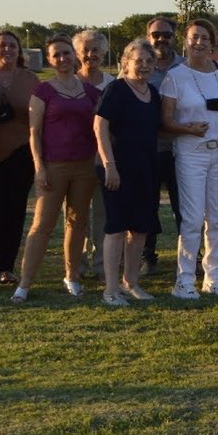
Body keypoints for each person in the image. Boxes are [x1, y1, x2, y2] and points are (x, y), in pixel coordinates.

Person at [11, 34, 102, 302]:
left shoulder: (91, 92)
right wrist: (39, 167)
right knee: (42, 225)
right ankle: (25, 283)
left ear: (75, 55)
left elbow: (100, 130)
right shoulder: (43, 91)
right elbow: (34, 132)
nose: (62, 59)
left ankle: (72, 277)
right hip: (54, 166)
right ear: (50, 60)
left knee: (77, 223)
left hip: (85, 166)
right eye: (56, 55)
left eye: (66, 53)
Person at [159, 18, 218, 300]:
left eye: (204, 38)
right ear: (186, 40)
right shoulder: (176, 76)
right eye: (194, 37)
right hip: (191, 153)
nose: (199, 43)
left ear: (213, 43)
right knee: (193, 219)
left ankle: (213, 276)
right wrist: (188, 129)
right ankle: (184, 280)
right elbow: (166, 121)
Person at [93, 39, 163, 306]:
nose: (144, 66)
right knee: (117, 227)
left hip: (145, 168)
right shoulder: (116, 90)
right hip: (116, 169)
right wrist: (110, 165)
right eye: (138, 61)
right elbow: (99, 128)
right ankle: (110, 289)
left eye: (149, 61)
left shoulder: (153, 93)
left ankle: (130, 283)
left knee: (141, 228)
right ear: (125, 62)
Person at [0, 29, 36, 286]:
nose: (8, 50)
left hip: (21, 152)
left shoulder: (30, 79)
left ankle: (7, 268)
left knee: (14, 210)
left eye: (13, 45)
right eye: (2, 45)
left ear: (19, 51)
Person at [141, 16, 184, 277]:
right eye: (156, 34)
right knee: (148, 205)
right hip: (149, 147)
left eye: (166, 34)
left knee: (185, 206)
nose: (161, 39)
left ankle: (188, 257)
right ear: (148, 37)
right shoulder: (139, 65)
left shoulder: (185, 66)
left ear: (174, 37)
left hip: (180, 147)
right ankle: (148, 256)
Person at [73, 29, 113, 278]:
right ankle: (76, 265)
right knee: (76, 215)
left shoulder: (113, 84)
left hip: (103, 157)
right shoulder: (70, 82)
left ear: (104, 52)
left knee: (103, 214)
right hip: (75, 157)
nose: (91, 54)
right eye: (86, 49)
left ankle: (100, 264)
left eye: (96, 49)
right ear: (78, 53)